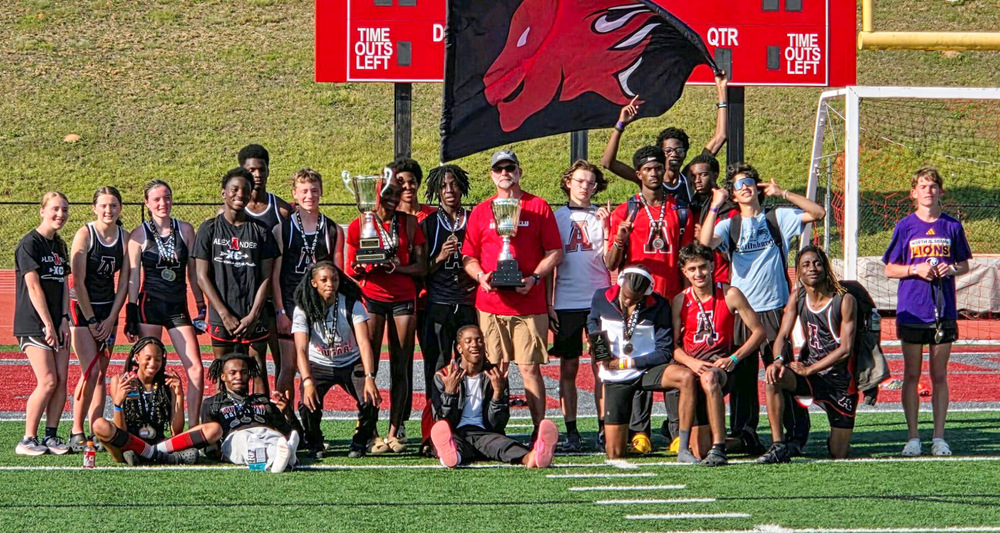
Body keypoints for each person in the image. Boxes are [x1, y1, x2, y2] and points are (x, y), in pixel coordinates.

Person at [698, 162, 826, 454]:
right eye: (738, 185)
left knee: (779, 372)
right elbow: (703, 245)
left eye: (749, 183)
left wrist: (784, 192)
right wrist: (716, 206)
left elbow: (819, 213)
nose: (744, 188)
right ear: (733, 193)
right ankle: (745, 434)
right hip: (743, 311)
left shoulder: (777, 217)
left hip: (774, 309)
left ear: (757, 188)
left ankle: (794, 435)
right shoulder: (729, 224)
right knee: (742, 375)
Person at [462, 149, 563, 438]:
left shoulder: (538, 207)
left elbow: (555, 252)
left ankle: (538, 429)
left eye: (510, 168)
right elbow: (469, 256)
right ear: (492, 175)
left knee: (530, 369)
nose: (504, 173)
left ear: (519, 172)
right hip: (491, 304)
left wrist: (534, 277)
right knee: (495, 369)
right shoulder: (482, 211)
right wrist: (481, 276)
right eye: (499, 169)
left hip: (528, 304)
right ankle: (494, 427)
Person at [605, 146, 693, 451]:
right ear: (638, 174)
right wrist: (620, 237)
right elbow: (610, 263)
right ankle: (639, 431)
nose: (654, 173)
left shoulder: (680, 210)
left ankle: (675, 430)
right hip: (635, 302)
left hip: (669, 298)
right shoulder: (625, 211)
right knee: (637, 358)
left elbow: (686, 260)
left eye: (658, 167)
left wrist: (685, 297)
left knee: (669, 358)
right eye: (647, 169)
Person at [882, 167, 971, 457]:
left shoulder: (952, 227)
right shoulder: (905, 226)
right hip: (912, 309)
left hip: (943, 309)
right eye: (922, 186)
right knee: (910, 374)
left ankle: (939, 437)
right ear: (913, 193)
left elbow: (963, 264)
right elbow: (889, 268)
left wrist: (951, 268)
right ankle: (912, 437)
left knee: (939, 374)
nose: (928, 191)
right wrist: (915, 269)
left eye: (933, 186)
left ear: (940, 192)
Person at [346, 171, 427, 453]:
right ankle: (371, 431)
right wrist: (359, 269)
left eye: (395, 194)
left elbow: (422, 267)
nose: (392, 199)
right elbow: (350, 269)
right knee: (370, 367)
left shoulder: (410, 223)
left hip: (404, 297)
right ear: (374, 197)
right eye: (387, 194)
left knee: (401, 365)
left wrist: (398, 268)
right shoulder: (359, 225)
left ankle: (396, 430)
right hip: (373, 297)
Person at [586, 265, 699, 462]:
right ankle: (628, 435)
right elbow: (592, 323)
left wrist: (626, 363)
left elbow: (664, 352)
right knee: (614, 452)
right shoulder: (601, 297)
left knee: (686, 377)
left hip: (646, 369)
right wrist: (598, 348)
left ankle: (683, 445)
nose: (628, 301)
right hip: (616, 376)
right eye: (626, 295)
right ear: (620, 284)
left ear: (646, 293)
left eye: (635, 298)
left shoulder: (659, 304)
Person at [672, 243, 764, 466]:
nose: (699, 273)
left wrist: (735, 357)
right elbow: (673, 347)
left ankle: (719, 448)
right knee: (698, 449)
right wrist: (691, 363)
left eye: (703, 267)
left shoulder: (730, 293)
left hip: (719, 366)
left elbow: (759, 332)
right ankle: (739, 442)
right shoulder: (679, 300)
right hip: (693, 365)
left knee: (709, 378)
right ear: (684, 272)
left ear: (712, 266)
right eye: (692, 269)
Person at [764, 245, 858, 462]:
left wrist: (809, 369)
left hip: (839, 382)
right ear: (798, 271)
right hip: (809, 376)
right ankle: (778, 444)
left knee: (838, 452)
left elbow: (845, 349)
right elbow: (782, 335)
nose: (812, 268)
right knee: (773, 377)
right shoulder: (798, 296)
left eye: (817, 263)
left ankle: (831, 434)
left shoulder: (843, 300)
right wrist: (778, 361)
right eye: (806, 264)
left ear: (825, 267)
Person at [126, 179, 206, 426]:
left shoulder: (185, 230)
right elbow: (132, 276)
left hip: (176, 307)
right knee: (146, 369)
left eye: (167, 198)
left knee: (196, 368)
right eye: (157, 199)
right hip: (148, 306)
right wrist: (130, 312)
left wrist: (201, 305)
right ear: (147, 203)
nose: (163, 203)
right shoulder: (138, 235)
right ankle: (140, 422)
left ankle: (193, 426)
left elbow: (193, 272)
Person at [194, 168, 279, 391]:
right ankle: (223, 423)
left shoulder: (260, 231)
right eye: (235, 189)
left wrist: (253, 316)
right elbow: (202, 276)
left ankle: (261, 421)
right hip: (222, 317)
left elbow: (266, 278)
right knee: (224, 370)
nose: (240, 194)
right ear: (224, 193)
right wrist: (224, 314)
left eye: (246, 190)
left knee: (258, 367)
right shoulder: (208, 229)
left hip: (253, 316)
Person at [601, 72, 729, 219]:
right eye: (668, 150)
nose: (674, 154)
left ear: (686, 152)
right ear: (661, 153)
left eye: (678, 150)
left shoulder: (688, 177)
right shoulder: (650, 177)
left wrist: (721, 89)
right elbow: (607, 162)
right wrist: (621, 124)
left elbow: (720, 137)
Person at [430, 325, 558, 468]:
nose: (475, 345)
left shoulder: (496, 375)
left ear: (484, 345)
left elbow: (497, 424)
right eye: (469, 341)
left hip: (485, 433)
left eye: (479, 340)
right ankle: (450, 456)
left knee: (502, 444)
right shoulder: (444, 376)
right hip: (455, 433)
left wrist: (498, 393)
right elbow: (443, 421)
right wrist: (449, 394)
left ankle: (533, 457)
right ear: (459, 348)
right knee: (452, 442)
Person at [550, 160, 611, 451]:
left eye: (590, 183)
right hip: (567, 303)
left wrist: (609, 226)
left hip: (598, 301)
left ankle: (603, 428)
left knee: (602, 365)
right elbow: (551, 262)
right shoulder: (556, 216)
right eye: (580, 181)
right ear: (567, 182)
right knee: (569, 366)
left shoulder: (602, 215)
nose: (585, 187)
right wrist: (549, 304)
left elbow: (611, 258)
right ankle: (571, 430)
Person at [272, 168, 343, 412]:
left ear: (321, 192)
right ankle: (283, 419)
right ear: (295, 194)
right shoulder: (283, 229)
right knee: (289, 366)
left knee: (312, 368)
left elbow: (337, 273)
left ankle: (308, 426)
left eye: (314, 190)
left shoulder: (333, 230)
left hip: (319, 306)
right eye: (304, 191)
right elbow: (275, 275)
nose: (309, 195)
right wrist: (280, 311)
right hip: (292, 304)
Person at [293, 262, 381, 458]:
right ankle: (315, 442)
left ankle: (360, 441)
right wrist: (307, 381)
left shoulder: (352, 304)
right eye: (323, 280)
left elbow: (364, 343)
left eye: (334, 279)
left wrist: (369, 376)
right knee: (307, 402)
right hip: (319, 364)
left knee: (370, 399)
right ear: (314, 283)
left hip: (350, 362)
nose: (329, 284)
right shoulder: (303, 308)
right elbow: (300, 348)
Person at [68, 186, 130, 451]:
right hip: (83, 310)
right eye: (104, 205)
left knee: (102, 373)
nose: (109, 210)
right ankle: (76, 429)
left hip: (108, 311)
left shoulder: (125, 238)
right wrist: (93, 321)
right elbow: (77, 282)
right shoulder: (85, 234)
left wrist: (112, 318)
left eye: (113, 205)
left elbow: (125, 283)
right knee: (90, 370)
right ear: (94, 208)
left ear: (120, 208)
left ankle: (97, 429)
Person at [419, 165, 477, 434]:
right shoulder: (429, 224)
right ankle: (436, 426)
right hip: (439, 304)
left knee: (473, 362)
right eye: (443, 186)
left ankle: (470, 418)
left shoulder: (475, 219)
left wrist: (474, 273)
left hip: (469, 303)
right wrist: (440, 257)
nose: (449, 190)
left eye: (454, 185)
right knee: (438, 364)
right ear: (436, 191)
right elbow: (422, 271)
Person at [14, 192, 72, 456]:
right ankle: (27, 438)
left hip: (56, 323)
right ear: (42, 211)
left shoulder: (60, 245)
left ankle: (50, 436)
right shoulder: (30, 243)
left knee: (60, 382)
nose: (59, 214)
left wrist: (63, 319)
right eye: (55, 209)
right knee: (47, 380)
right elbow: (34, 287)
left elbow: (62, 286)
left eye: (64, 210)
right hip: (34, 323)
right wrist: (48, 323)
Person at [239, 144, 294, 406]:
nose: (257, 174)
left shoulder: (282, 210)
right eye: (252, 170)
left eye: (262, 169)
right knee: (252, 362)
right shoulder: (232, 212)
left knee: (285, 364)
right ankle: (254, 417)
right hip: (246, 300)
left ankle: (287, 419)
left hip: (277, 298)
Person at [91, 337, 197, 465]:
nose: (153, 363)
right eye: (148, 358)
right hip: (129, 442)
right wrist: (118, 404)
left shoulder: (167, 383)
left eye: (158, 359)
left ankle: (149, 454)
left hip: (159, 442)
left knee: (212, 429)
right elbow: (121, 431)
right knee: (99, 425)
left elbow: (176, 431)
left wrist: (179, 395)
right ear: (137, 358)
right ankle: (164, 457)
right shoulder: (121, 380)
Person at [389, 156, 435, 444]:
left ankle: (435, 419)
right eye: (400, 181)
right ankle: (400, 420)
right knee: (400, 364)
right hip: (400, 299)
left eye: (411, 180)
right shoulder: (387, 217)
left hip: (430, 298)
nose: (407, 186)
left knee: (433, 362)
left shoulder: (431, 215)